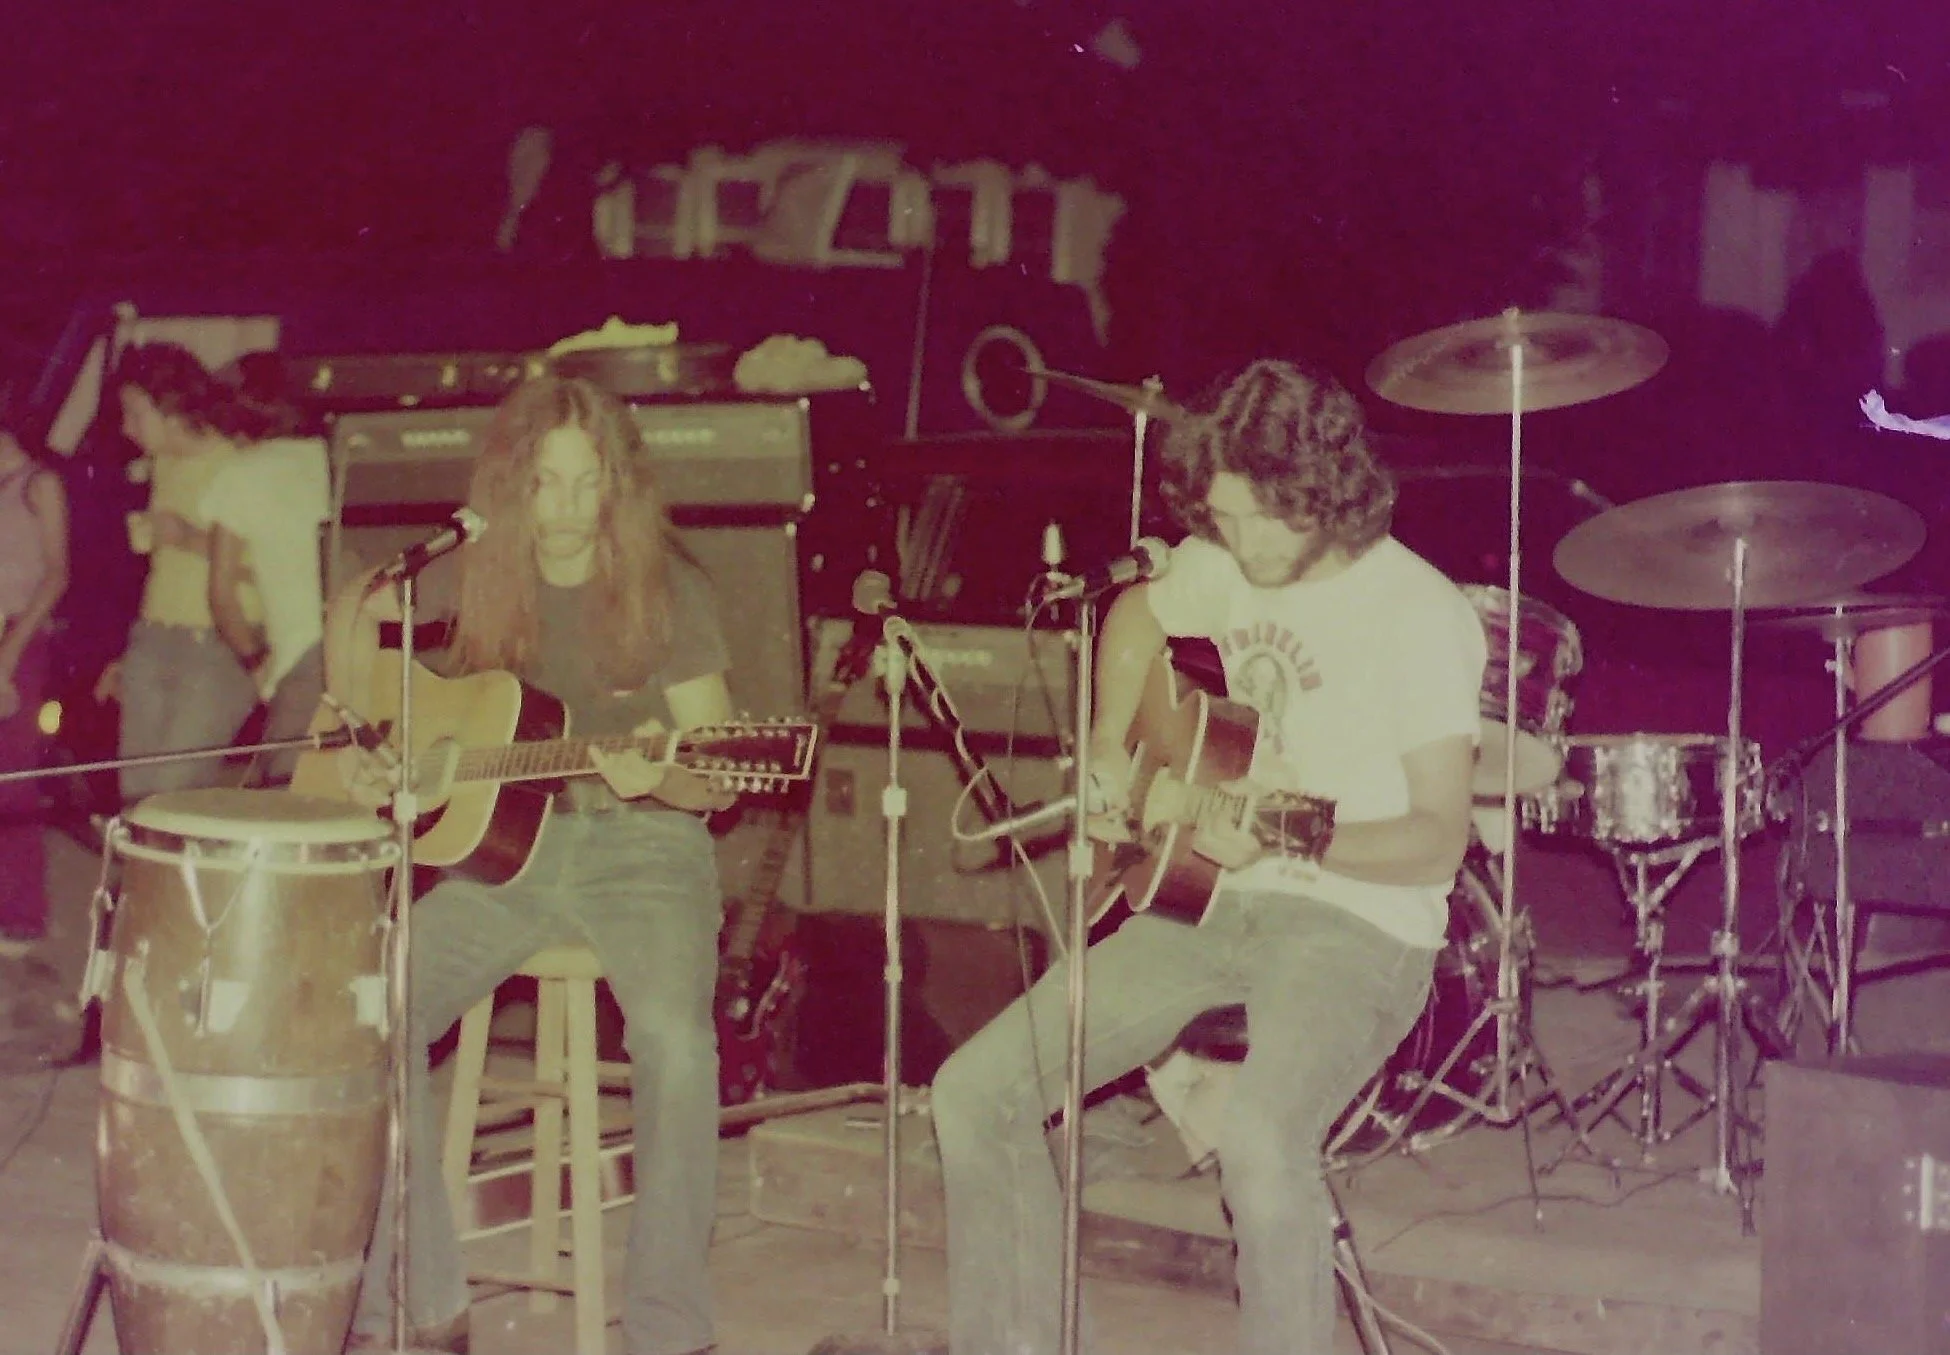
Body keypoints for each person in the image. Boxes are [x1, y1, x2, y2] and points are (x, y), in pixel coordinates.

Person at [929, 358, 1487, 1355]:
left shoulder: (1422, 613)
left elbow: (1437, 835)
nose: (1244, 545)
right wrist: (1105, 744)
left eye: (1266, 519)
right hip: (1210, 899)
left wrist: (1284, 831)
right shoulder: (1229, 555)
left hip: (1362, 924)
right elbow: (1138, 610)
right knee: (975, 1091)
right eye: (1226, 519)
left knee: (1263, 1143)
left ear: (1329, 493)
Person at [326, 375, 741, 1355]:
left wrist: (661, 781)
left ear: (615, 490)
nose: (560, 510)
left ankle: (670, 1331)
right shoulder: (476, 578)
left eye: (583, 484)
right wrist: (378, 746)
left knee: (676, 1044)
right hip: (508, 848)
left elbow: (719, 773)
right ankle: (426, 1306)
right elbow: (358, 635)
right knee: (368, 1016)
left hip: (645, 848)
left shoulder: (668, 588)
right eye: (542, 484)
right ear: (510, 487)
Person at [95, 342, 258, 802]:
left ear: (170, 409)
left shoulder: (237, 465)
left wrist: (186, 537)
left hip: (216, 646)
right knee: (137, 796)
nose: (126, 428)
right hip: (154, 638)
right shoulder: (163, 464)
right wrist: (128, 655)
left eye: (134, 413)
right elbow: (163, 572)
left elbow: (270, 567)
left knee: (174, 794)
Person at [201, 354, 330, 785]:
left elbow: (220, 594)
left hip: (301, 658)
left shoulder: (241, 474)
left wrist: (256, 664)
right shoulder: (330, 455)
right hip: (358, 640)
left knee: (287, 795)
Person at [0, 423, 70, 951]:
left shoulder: (39, 483)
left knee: (14, 778)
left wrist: (9, 654)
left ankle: (23, 914)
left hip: (19, 640)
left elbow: (56, 575)